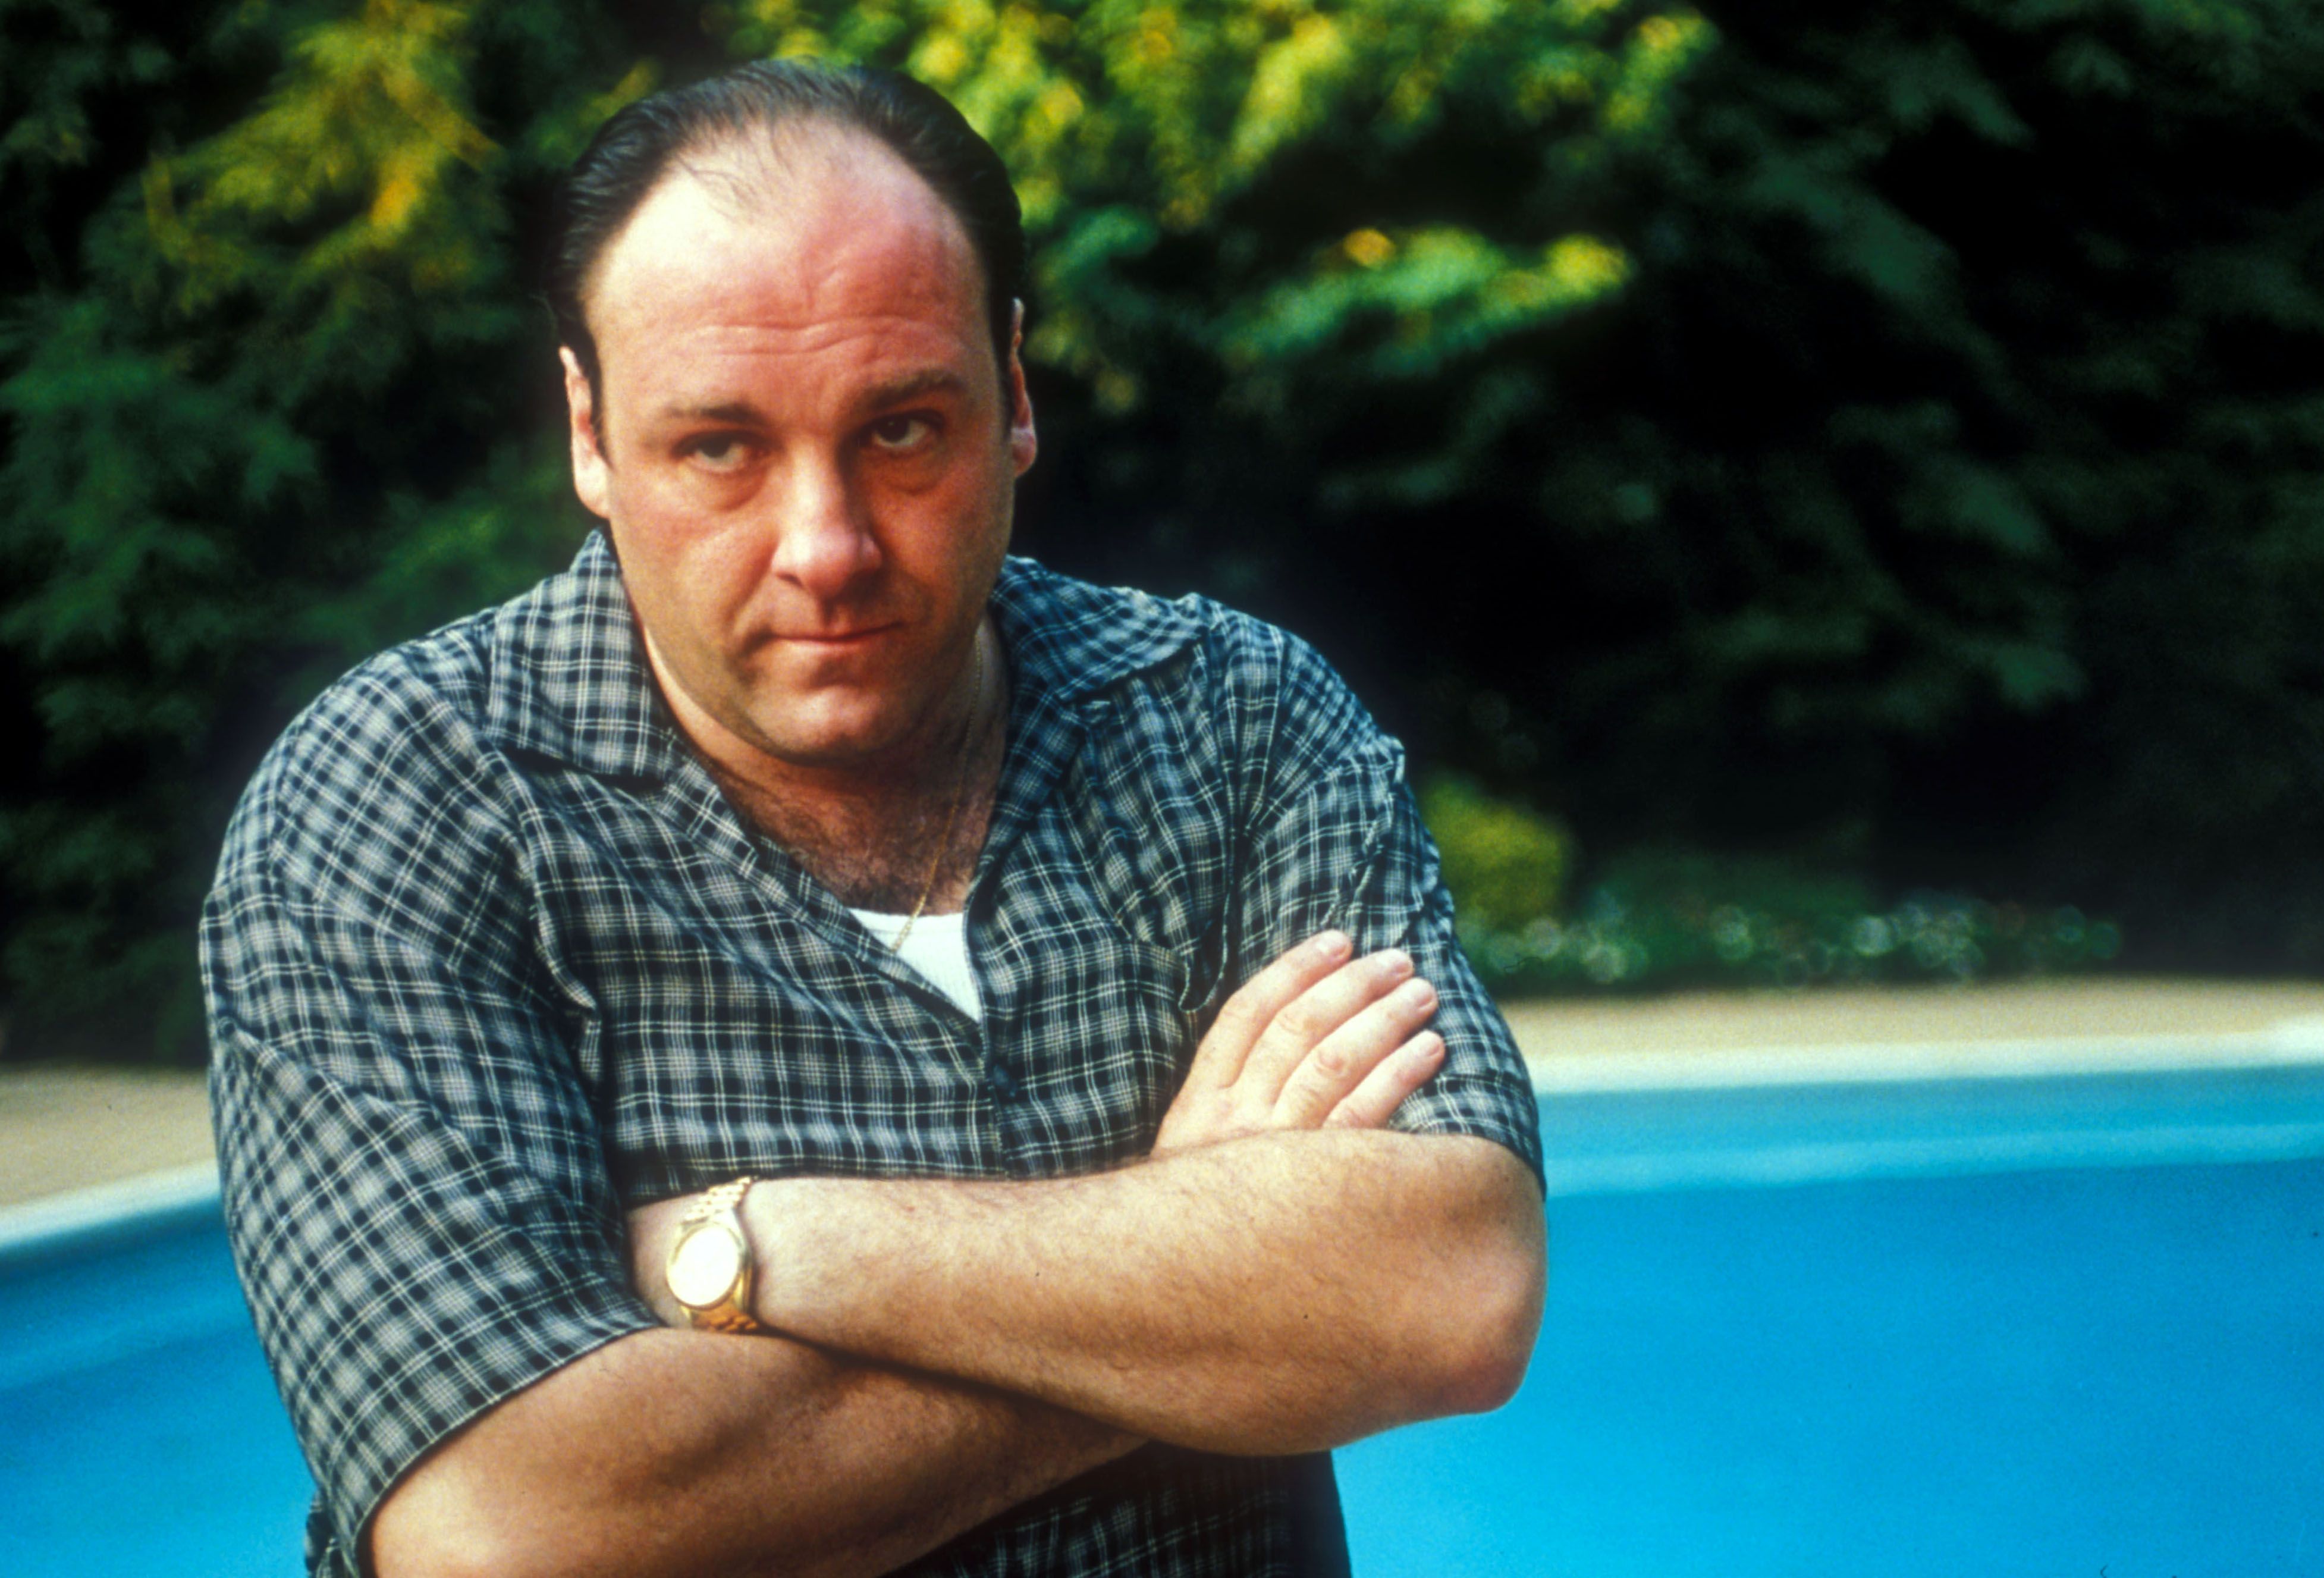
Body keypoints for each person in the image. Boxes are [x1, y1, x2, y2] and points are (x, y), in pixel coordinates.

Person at [203, 58, 1545, 1578]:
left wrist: (760, 1243)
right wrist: (1210, 1280)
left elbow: (1450, 1292)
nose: (825, 546)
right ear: (590, 432)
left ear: (1013, 393)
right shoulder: (397, 805)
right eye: (720, 447)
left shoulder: (1231, 719)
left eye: (901, 429)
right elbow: (510, 1535)